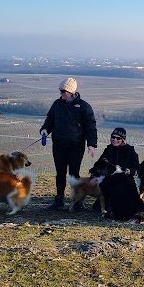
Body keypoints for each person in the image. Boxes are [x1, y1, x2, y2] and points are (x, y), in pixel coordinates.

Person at [39, 77, 98, 211]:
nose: (61, 94)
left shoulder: (83, 106)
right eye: (60, 91)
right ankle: (59, 200)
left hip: (76, 146)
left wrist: (91, 144)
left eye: (63, 91)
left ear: (71, 91)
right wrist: (44, 130)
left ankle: (76, 201)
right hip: (59, 144)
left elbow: (91, 127)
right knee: (60, 173)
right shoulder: (57, 104)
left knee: (74, 175)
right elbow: (50, 120)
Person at [88, 127, 140, 213]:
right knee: (101, 208)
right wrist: (94, 176)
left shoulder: (130, 151)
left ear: (123, 139)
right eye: (113, 137)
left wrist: (128, 171)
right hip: (110, 180)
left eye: (118, 138)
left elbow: (137, 168)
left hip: (126, 180)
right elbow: (98, 165)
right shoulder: (108, 149)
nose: (115, 140)